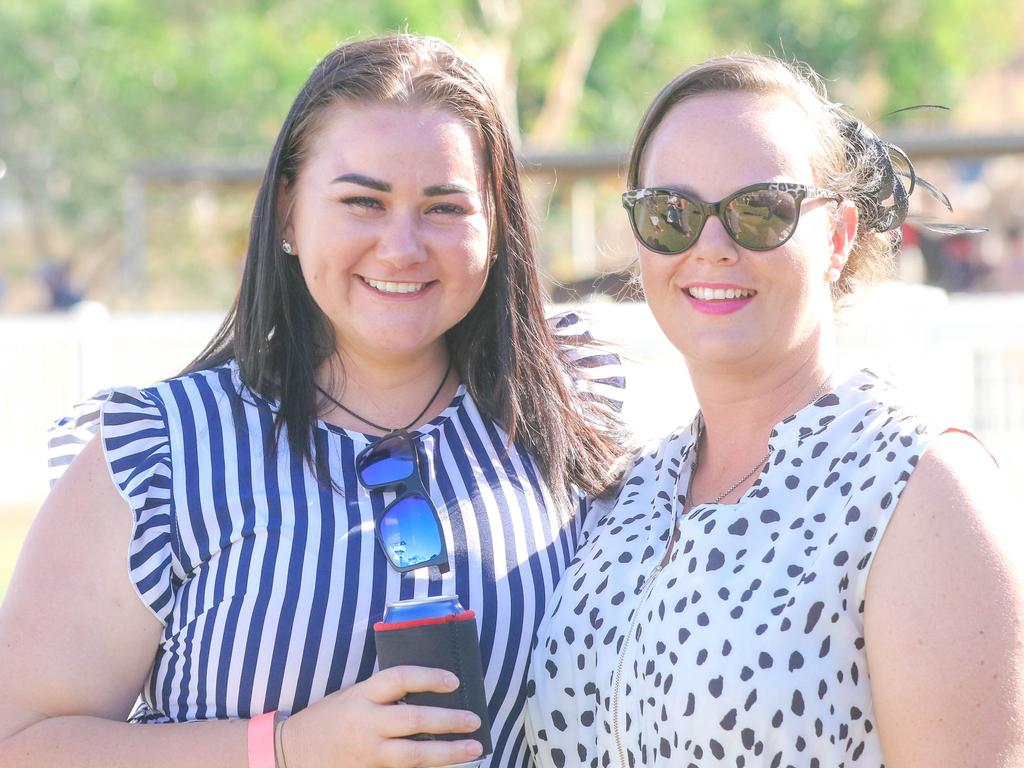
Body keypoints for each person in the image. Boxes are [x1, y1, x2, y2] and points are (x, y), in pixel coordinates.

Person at [0, 34, 628, 768]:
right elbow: (22, 742)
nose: (402, 246)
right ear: (287, 215)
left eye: (444, 207)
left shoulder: (574, 411)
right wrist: (287, 747)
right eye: (363, 201)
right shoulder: (165, 453)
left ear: (497, 229)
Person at [526, 53, 1024, 767]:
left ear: (839, 237)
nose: (712, 247)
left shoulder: (922, 491)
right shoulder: (629, 492)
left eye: (762, 210)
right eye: (672, 214)